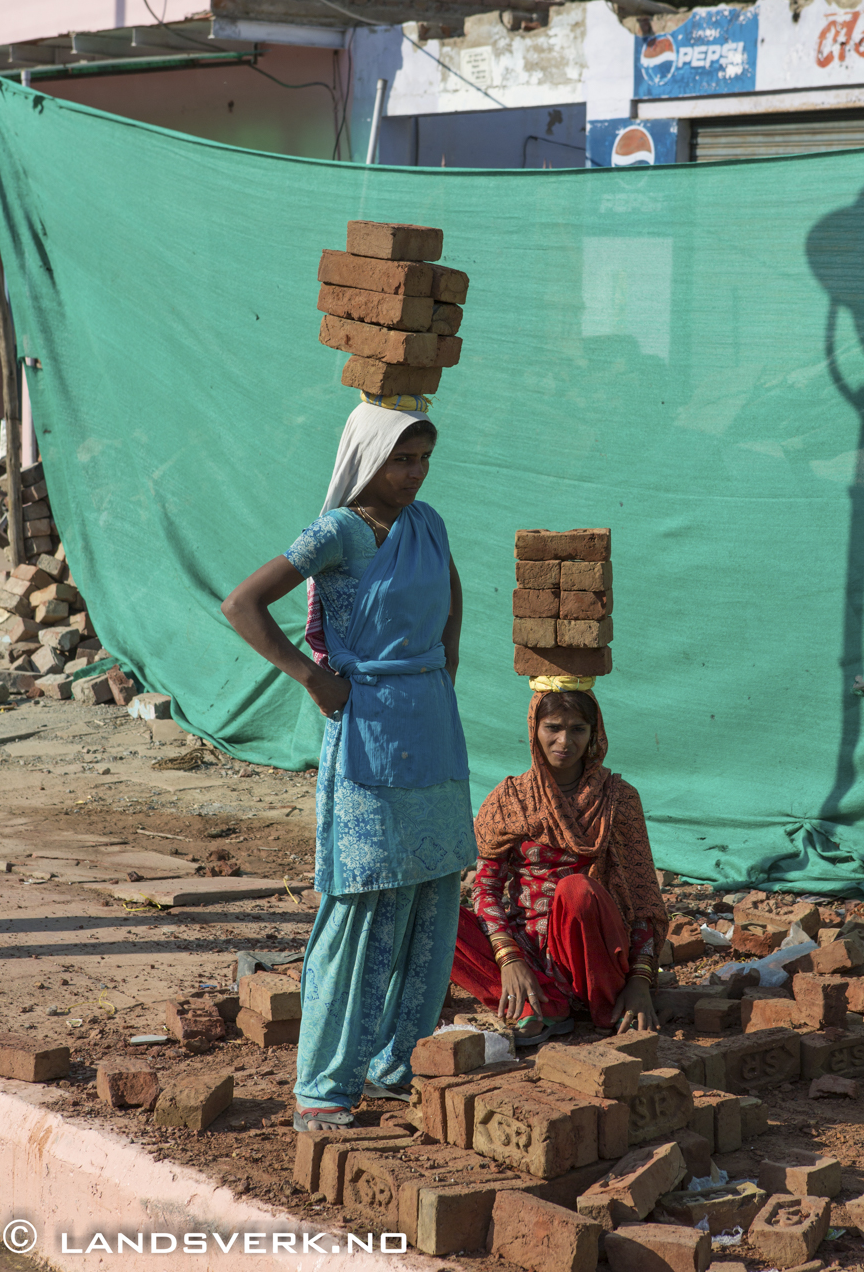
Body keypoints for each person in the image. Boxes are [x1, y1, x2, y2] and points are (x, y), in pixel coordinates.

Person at [221, 394, 476, 1131]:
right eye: (402, 458)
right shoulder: (338, 532)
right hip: (366, 730)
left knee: (433, 895)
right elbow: (243, 603)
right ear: (368, 458)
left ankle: (399, 1064)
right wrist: (312, 676)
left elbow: (451, 592)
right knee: (360, 899)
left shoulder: (428, 524)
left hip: (429, 723)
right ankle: (324, 1085)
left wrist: (442, 669)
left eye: (424, 458)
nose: (416, 473)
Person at [451, 685, 666, 1043]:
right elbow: (486, 886)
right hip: (525, 951)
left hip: (595, 958)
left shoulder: (618, 799)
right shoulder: (510, 799)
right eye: (553, 727)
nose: (564, 741)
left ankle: (598, 1003)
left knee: (576, 889)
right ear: (534, 730)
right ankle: (535, 1003)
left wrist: (640, 981)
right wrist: (509, 959)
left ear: (594, 734)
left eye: (578, 729)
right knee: (435, 917)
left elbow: (642, 896)